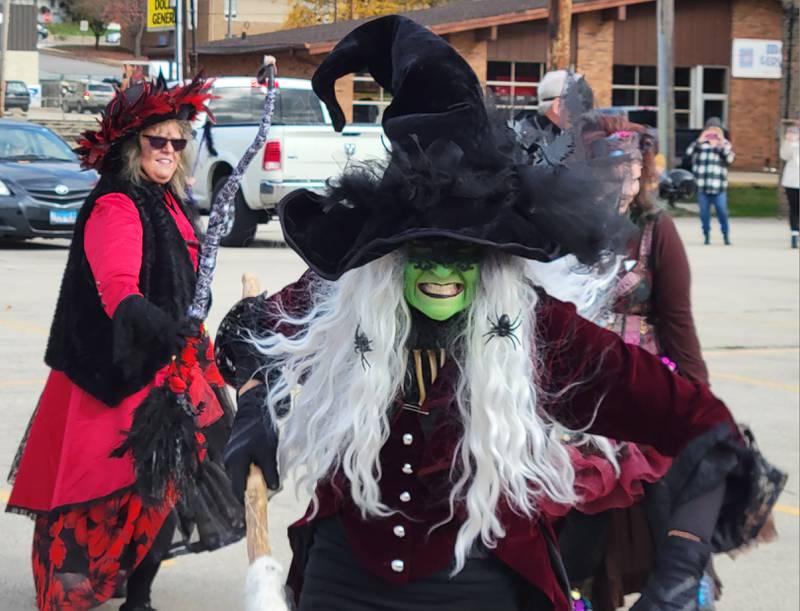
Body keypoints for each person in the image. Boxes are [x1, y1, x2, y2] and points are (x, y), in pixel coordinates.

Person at [218, 17, 770, 611]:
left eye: (465, 254)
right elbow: (245, 337)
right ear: (391, 252)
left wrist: (679, 569)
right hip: (345, 576)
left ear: (496, 259)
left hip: (481, 578)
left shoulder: (540, 332)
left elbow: (704, 425)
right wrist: (257, 403)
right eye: (424, 249)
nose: (442, 272)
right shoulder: (346, 294)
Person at [6, 77, 244, 611]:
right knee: (111, 491)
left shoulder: (168, 200)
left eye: (176, 141)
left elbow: (183, 280)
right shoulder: (118, 204)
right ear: (131, 146)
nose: (167, 150)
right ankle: (110, 593)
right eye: (155, 140)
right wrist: (167, 329)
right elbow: (119, 294)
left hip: (169, 363)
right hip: (118, 372)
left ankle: (140, 596)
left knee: (164, 490)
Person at [538, 114, 725, 611]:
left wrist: (699, 400)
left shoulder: (654, 230)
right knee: (578, 505)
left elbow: (678, 320)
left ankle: (681, 590)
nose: (627, 185)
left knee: (663, 495)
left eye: (636, 175)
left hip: (643, 381)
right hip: (573, 390)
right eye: (615, 174)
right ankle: (568, 595)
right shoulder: (559, 229)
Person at [686, 117, 735, 245]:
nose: (713, 133)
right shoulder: (700, 145)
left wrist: (719, 144)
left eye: (716, 130)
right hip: (703, 186)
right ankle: (706, 234)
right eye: (710, 130)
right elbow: (688, 153)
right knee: (704, 214)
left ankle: (725, 234)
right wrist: (700, 140)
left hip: (719, 186)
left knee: (722, 211)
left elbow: (729, 159)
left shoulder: (725, 145)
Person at [779, 121, 799, 249]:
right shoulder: (792, 141)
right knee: (794, 208)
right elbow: (784, 156)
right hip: (792, 181)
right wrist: (789, 142)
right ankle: (794, 234)